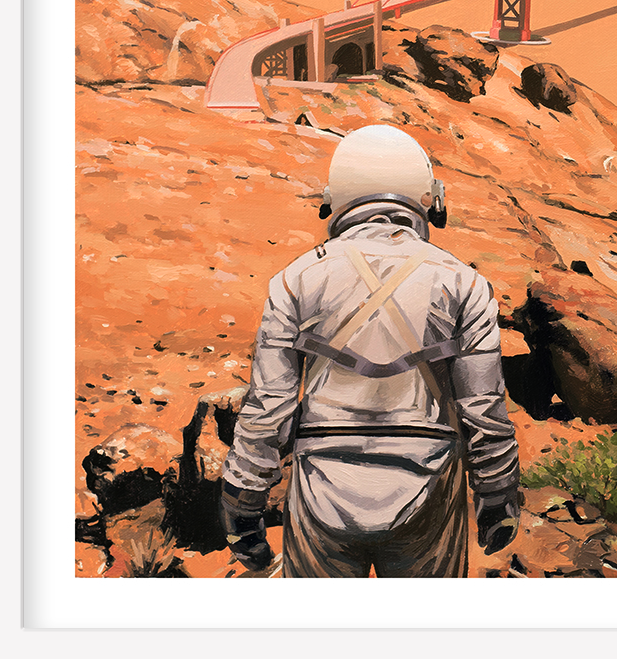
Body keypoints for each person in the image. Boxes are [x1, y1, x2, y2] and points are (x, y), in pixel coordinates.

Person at [219, 125, 520, 577]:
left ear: (336, 199)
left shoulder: (294, 280)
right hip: (430, 484)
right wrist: (497, 490)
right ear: (429, 198)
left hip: (322, 481)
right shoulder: (466, 283)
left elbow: (269, 405)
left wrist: (243, 499)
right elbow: (483, 405)